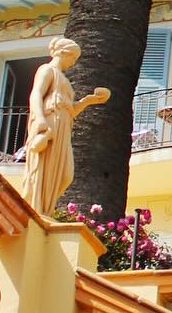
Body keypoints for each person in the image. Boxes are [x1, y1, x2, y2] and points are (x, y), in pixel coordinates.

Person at [22, 36, 110, 216]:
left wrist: (87, 101)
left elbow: (70, 110)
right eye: (73, 58)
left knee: (65, 175)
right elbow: (36, 94)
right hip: (51, 122)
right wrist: (39, 118)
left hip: (63, 125)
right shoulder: (47, 70)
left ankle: (46, 209)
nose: (73, 63)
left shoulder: (65, 80)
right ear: (64, 53)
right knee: (47, 170)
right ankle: (39, 210)